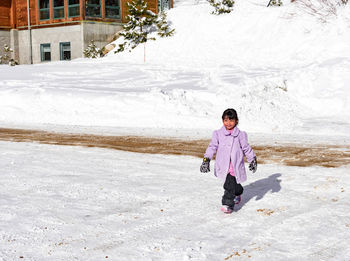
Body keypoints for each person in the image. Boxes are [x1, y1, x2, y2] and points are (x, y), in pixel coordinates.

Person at [200, 108, 257, 214]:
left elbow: (246, 148)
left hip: (235, 164)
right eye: (226, 120)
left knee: (229, 184)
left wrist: (252, 159)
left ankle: (227, 204)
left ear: (236, 121)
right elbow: (212, 146)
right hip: (223, 164)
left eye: (231, 120)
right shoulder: (218, 134)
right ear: (222, 121)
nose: (228, 123)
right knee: (234, 184)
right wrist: (206, 159)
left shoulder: (241, 135)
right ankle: (238, 192)